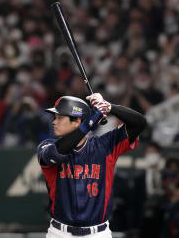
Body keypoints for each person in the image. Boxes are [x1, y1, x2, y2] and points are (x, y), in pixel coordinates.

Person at [37, 93, 147, 238]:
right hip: (59, 233)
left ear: (76, 121)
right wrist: (89, 122)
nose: (54, 122)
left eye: (59, 117)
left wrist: (109, 107)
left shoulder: (105, 145)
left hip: (98, 233)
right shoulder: (48, 145)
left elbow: (139, 123)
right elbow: (55, 155)